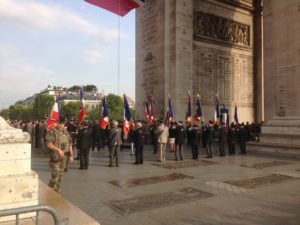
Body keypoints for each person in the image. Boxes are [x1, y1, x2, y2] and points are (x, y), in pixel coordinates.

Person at [45, 116, 73, 193]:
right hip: (55, 156)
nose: (62, 124)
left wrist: (71, 155)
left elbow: (70, 144)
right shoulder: (52, 132)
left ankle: (57, 189)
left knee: (61, 174)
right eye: (60, 123)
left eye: (63, 123)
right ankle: (50, 189)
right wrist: (58, 150)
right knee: (56, 173)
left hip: (65, 157)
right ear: (57, 123)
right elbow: (48, 144)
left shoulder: (66, 132)